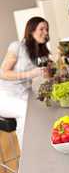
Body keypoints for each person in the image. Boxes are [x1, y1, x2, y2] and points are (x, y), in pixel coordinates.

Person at [0, 16, 52, 148]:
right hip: (5, 96)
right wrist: (30, 74)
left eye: (47, 29)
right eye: (42, 28)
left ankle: (41, 145)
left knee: (42, 109)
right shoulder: (17, 46)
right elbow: (3, 73)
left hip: (22, 95)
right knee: (26, 112)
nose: (45, 32)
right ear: (31, 31)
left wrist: (47, 73)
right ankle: (28, 156)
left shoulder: (39, 53)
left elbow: (44, 76)